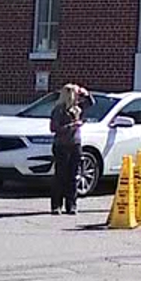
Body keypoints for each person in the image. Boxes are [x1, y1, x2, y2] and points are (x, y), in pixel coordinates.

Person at [49, 85, 85, 215]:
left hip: (75, 144)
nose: (77, 97)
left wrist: (85, 93)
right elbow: (53, 128)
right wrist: (71, 126)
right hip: (62, 145)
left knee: (73, 176)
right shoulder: (59, 110)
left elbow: (91, 103)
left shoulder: (77, 109)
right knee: (60, 175)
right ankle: (56, 205)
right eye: (76, 94)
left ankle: (71, 205)